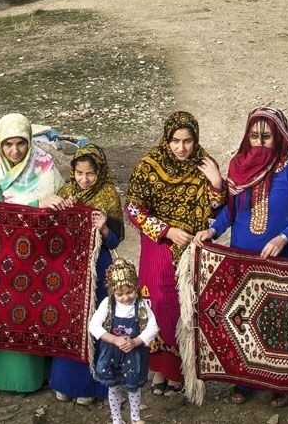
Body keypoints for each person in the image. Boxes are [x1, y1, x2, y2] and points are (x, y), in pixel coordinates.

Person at [193, 106, 288, 407]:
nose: (259, 142)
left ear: (280, 137)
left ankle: (278, 384)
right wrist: (213, 230)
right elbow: (231, 212)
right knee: (242, 318)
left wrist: (284, 236)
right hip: (242, 257)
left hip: (281, 257)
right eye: (254, 135)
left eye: (267, 136)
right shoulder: (239, 165)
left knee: (279, 319)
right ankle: (243, 380)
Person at [126, 111, 224, 396]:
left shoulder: (204, 164)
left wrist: (217, 183)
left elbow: (217, 209)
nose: (181, 148)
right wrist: (167, 231)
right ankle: (159, 369)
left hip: (192, 247)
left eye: (188, 141)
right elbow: (133, 209)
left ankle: (181, 372)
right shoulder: (148, 166)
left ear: (196, 139)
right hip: (158, 243)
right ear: (166, 139)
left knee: (186, 307)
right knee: (156, 302)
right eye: (175, 141)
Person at [0, 113, 66, 394]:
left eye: (21, 143)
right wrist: (37, 203)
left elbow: (58, 208)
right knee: (6, 315)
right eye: (8, 144)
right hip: (2, 256)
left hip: (40, 255)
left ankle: (44, 373)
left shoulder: (45, 165)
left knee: (39, 311)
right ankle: (8, 380)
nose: (15, 151)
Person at [50, 145, 123, 405]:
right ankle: (65, 383)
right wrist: (58, 209)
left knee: (96, 323)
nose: (84, 179)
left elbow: (115, 241)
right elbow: (50, 233)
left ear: (99, 172)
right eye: (79, 173)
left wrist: (103, 228)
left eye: (90, 173)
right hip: (69, 271)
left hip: (97, 271)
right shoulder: (66, 193)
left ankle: (92, 387)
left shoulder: (108, 195)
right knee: (69, 325)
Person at [89, 257, 159, 424]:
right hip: (112, 353)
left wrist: (136, 341)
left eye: (130, 292)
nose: (126, 298)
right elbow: (93, 326)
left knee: (133, 388)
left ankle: (135, 418)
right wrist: (113, 339)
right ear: (112, 291)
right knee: (114, 388)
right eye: (120, 294)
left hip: (133, 354)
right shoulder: (107, 304)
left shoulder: (141, 305)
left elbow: (153, 326)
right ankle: (116, 420)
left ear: (136, 287)